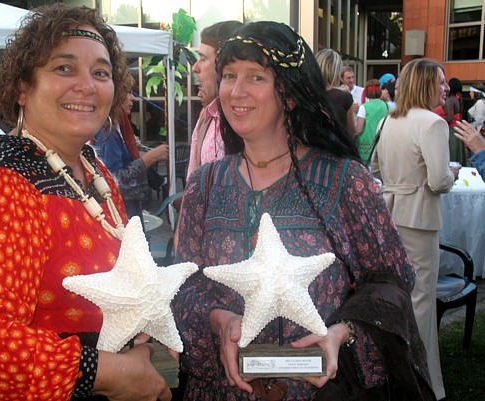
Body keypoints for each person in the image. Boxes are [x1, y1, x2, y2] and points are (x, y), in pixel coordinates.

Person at [172, 21, 434, 401]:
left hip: (321, 392)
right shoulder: (205, 185)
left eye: (256, 77)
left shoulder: (347, 181)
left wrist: (340, 332)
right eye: (229, 75)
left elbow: (392, 282)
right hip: (220, 391)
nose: (236, 91)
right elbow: (187, 284)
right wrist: (220, 320)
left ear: (291, 94)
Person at [0, 4, 172, 401]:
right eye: (64, 68)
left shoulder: (95, 173)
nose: (87, 85)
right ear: (22, 87)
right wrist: (108, 372)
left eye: (101, 72)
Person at [371, 58, 459, 401]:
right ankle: (423, 384)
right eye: (439, 82)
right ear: (425, 84)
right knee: (421, 301)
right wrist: (450, 171)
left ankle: (392, 374)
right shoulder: (433, 124)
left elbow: (375, 166)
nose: (445, 88)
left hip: (390, 216)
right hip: (419, 219)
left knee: (397, 298)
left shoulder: (389, 120)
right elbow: (439, 181)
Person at [93, 77, 168, 223]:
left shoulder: (118, 127)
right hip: (123, 215)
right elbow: (113, 180)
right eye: (129, 92)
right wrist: (148, 159)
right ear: (116, 95)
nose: (133, 97)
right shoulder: (108, 133)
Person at [186, 20, 243, 181]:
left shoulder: (258, 119)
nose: (195, 67)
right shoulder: (207, 117)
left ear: (224, 65)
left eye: (203, 58)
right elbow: (193, 183)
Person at [315, 48, 356, 136]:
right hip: (336, 147)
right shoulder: (344, 97)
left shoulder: (307, 94)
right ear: (336, 71)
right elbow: (351, 131)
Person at [356, 79, 390, 164]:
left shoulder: (364, 107)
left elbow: (359, 129)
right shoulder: (386, 106)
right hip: (382, 144)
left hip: (366, 146)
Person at [436, 77, 465, 165]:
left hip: (452, 130)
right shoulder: (458, 98)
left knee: (452, 155)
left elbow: (449, 118)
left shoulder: (450, 100)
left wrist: (436, 118)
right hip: (457, 128)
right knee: (458, 154)